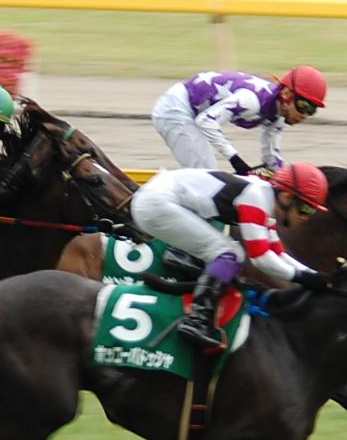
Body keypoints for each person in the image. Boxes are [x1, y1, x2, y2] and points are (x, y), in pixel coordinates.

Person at [130, 162, 332, 350]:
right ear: (287, 198)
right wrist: (303, 278)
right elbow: (261, 259)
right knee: (230, 254)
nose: (306, 218)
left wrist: (316, 276)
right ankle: (197, 320)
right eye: (305, 209)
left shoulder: (267, 201)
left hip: (163, 197)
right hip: (157, 203)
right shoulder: (256, 199)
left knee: (228, 254)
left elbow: (277, 253)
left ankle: (187, 268)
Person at [151, 65, 327, 173]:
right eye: (304, 106)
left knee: (210, 178)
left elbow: (272, 161)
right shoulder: (253, 101)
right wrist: (234, 159)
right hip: (175, 109)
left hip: (192, 110)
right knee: (207, 176)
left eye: (312, 110)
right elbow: (206, 121)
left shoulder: (277, 114)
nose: (305, 115)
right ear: (287, 94)